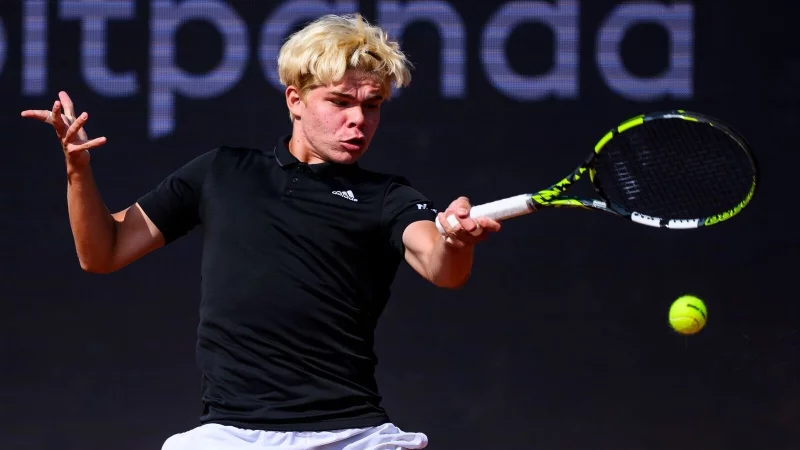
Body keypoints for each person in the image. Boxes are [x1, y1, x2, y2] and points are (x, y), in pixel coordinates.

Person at [21, 13, 502, 450]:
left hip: (352, 435)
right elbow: (102, 252)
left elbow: (440, 265)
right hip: (230, 434)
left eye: (372, 105)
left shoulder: (386, 196)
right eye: (340, 101)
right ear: (295, 100)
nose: (359, 119)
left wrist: (455, 241)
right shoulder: (220, 172)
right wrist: (78, 171)